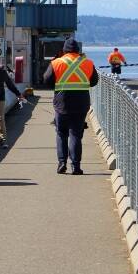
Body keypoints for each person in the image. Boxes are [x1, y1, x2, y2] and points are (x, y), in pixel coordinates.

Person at [43, 38, 99, 175]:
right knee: (76, 134)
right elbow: (94, 81)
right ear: (78, 50)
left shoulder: (56, 63)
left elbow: (46, 80)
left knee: (61, 133)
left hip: (62, 103)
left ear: (64, 50)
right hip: (81, 103)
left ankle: (62, 163)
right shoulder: (87, 63)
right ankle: (76, 166)